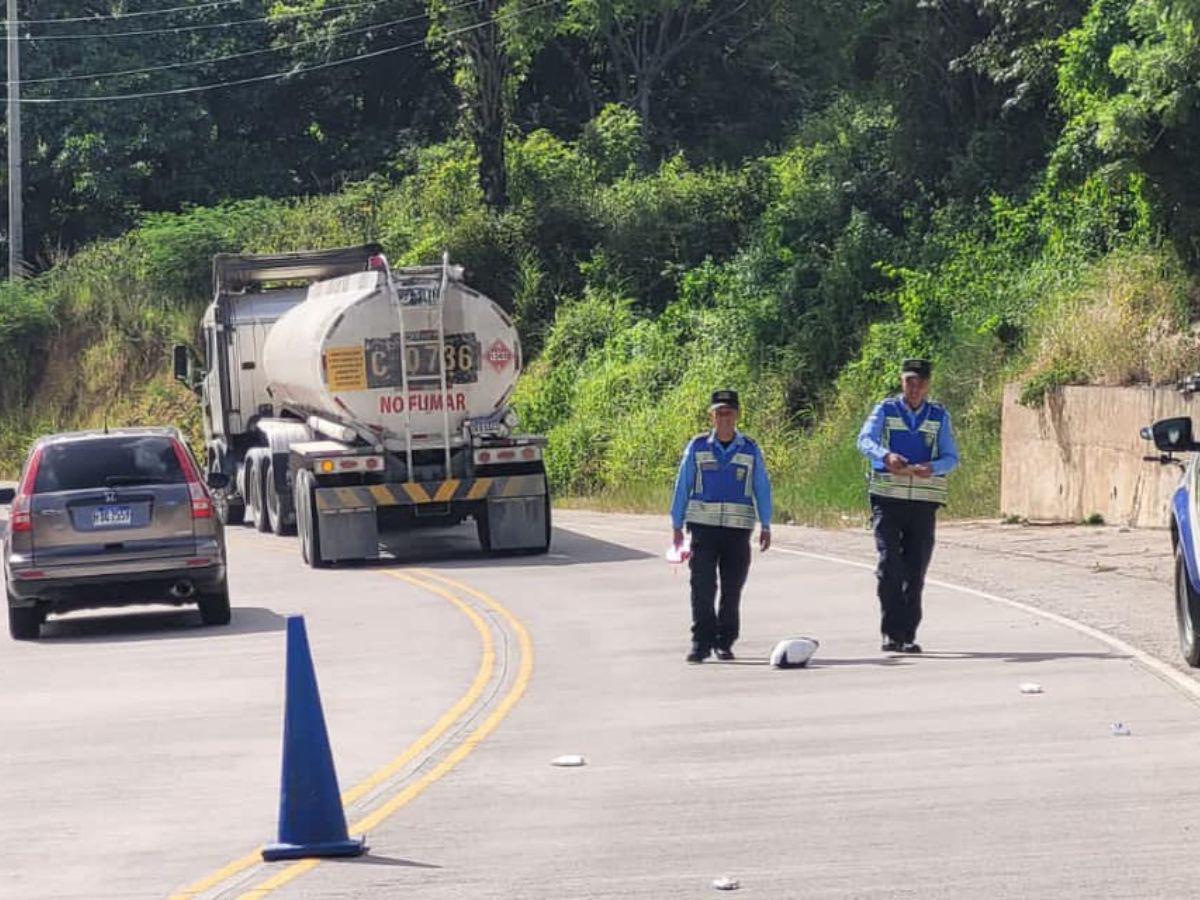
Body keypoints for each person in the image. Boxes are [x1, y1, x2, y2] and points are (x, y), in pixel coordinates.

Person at [856, 359, 959, 654]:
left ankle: (908, 634)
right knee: (890, 565)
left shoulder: (938, 416)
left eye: (920, 383)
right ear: (902, 382)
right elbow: (864, 440)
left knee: (916, 570)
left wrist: (933, 466)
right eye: (909, 382)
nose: (915, 388)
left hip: (923, 503)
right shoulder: (886, 410)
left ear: (928, 385)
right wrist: (885, 456)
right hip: (888, 499)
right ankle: (891, 633)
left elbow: (952, 457)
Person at [671, 389, 773, 663]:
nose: (724, 418)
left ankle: (725, 641)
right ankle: (701, 643)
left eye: (728, 413)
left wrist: (766, 524)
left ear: (737, 415)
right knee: (702, 586)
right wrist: (676, 524)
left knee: (732, 589)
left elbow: (761, 487)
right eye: (719, 413)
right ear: (711, 416)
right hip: (702, 530)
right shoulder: (698, 446)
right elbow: (683, 485)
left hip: (738, 532)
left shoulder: (750, 449)